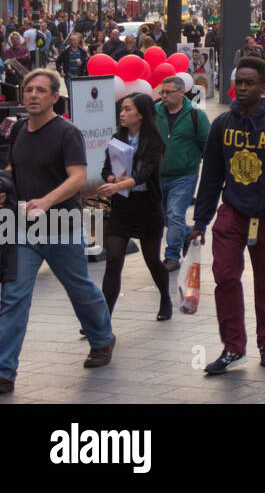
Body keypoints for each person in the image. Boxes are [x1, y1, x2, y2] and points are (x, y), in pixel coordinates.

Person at [0, 69, 116, 393]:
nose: (33, 95)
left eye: (40, 90)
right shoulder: (19, 129)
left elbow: (78, 177)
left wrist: (47, 201)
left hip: (60, 225)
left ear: (54, 97)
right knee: (12, 297)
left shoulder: (67, 132)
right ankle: (4, 371)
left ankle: (102, 338)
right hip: (20, 225)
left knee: (79, 289)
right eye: (28, 90)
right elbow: (13, 168)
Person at [191, 57, 265, 374]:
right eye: (238, 82)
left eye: (249, 82)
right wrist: (200, 221)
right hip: (232, 212)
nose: (241, 88)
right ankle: (232, 347)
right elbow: (211, 176)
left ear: (263, 86)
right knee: (225, 278)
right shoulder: (222, 125)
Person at [95, 92, 172, 320]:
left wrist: (119, 185)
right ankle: (103, 317)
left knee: (152, 260)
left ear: (141, 114)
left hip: (147, 207)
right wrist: (112, 181)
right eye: (122, 109)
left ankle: (165, 298)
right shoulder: (117, 137)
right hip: (122, 207)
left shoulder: (153, 141)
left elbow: (144, 175)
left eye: (128, 109)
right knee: (113, 259)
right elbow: (105, 170)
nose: (122, 113)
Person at [156, 75, 211, 271]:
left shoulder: (196, 115)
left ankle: (172, 256)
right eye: (161, 92)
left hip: (185, 175)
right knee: (163, 217)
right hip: (159, 175)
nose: (163, 96)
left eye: (168, 92)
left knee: (175, 213)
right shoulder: (155, 112)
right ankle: (187, 234)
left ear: (181, 92)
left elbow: (208, 144)